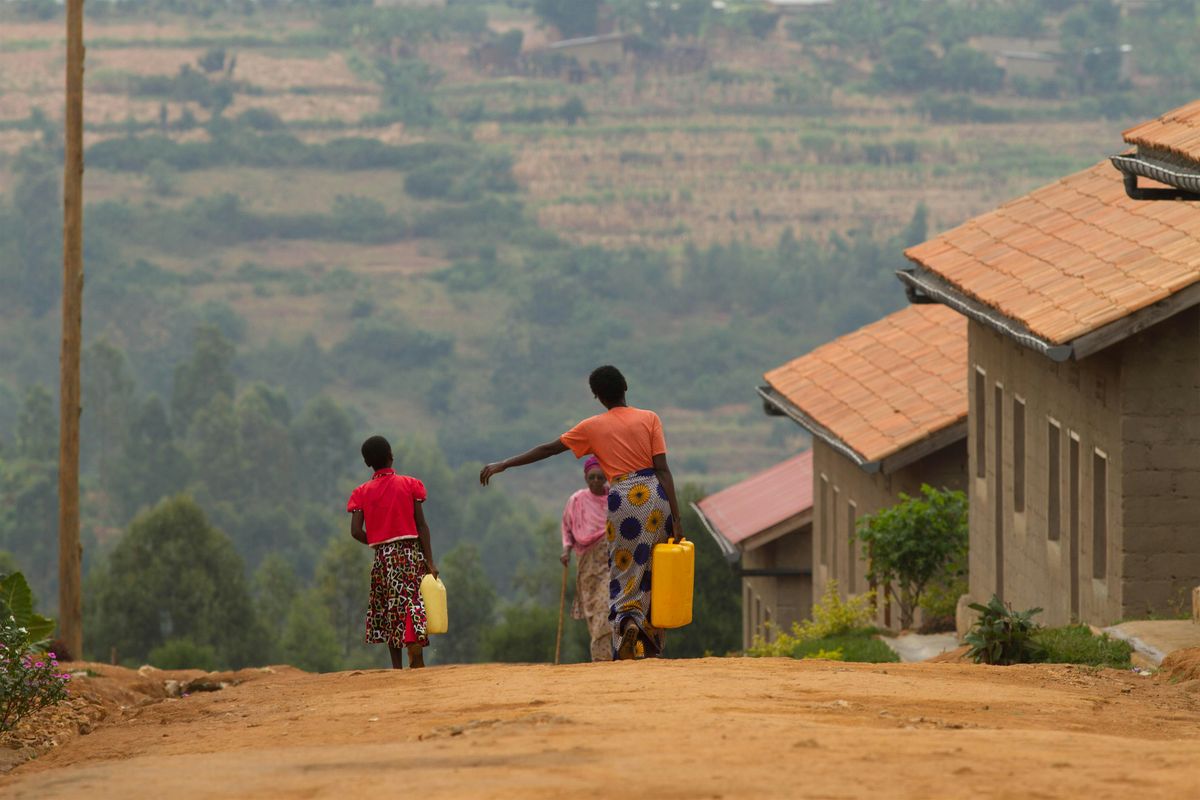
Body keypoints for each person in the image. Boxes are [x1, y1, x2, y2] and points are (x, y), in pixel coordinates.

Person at [480, 365, 684, 660]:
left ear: (598, 397)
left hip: (623, 498)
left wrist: (504, 464)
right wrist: (676, 520)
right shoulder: (650, 419)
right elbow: (664, 470)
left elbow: (548, 449)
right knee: (653, 569)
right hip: (654, 495)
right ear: (625, 387)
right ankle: (649, 646)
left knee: (623, 567)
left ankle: (627, 622)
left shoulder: (590, 427)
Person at [347, 435, 438, 670]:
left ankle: (396, 666)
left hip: (383, 558)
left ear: (368, 463)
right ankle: (415, 651)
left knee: (390, 608)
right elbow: (421, 525)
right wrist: (429, 560)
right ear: (391, 456)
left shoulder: (361, 492)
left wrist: (378, 540)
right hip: (410, 553)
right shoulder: (410, 485)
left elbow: (356, 531)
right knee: (412, 603)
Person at [562, 456, 612, 662]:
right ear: (585, 477)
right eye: (592, 477)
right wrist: (566, 550)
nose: (596, 482)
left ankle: (602, 661)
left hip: (610, 564)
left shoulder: (614, 499)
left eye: (600, 477)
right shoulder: (576, 500)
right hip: (586, 566)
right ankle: (604, 661)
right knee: (593, 614)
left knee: (604, 607)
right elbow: (567, 528)